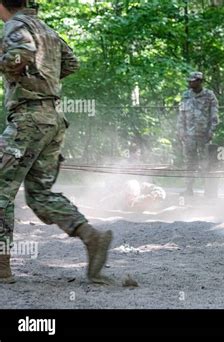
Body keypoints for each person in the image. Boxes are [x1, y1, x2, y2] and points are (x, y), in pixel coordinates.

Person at [0, 0, 112, 284]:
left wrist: (19, 72)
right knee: (39, 195)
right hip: (53, 120)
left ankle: (1, 267)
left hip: (28, 119)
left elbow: (20, 54)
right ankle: (92, 237)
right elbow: (71, 62)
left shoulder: (15, 26)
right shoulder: (46, 29)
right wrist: (44, 78)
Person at [177, 71, 218, 196]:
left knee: (205, 163)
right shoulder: (186, 96)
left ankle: (208, 191)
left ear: (200, 81)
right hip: (189, 136)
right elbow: (181, 115)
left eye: (193, 80)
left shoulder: (209, 96)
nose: (190, 82)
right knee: (189, 163)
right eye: (189, 80)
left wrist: (211, 130)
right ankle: (188, 189)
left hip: (203, 136)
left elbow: (214, 115)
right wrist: (181, 131)